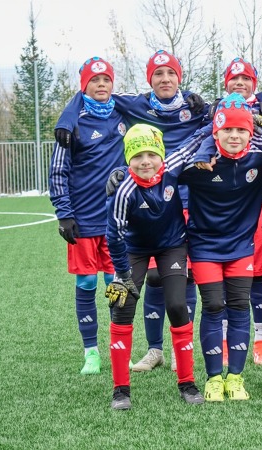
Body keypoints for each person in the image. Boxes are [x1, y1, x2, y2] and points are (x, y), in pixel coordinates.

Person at [56, 50, 208, 373]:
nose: (165, 79)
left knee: (185, 279)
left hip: (186, 203)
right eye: (158, 74)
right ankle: (149, 350)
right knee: (143, 279)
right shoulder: (134, 106)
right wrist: (66, 117)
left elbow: (223, 119)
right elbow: (89, 95)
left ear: (179, 77)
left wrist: (207, 105)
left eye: (171, 73)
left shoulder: (193, 107)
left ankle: (182, 351)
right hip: (134, 204)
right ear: (149, 79)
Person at [173, 93, 262, 401]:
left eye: (241, 130)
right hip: (204, 247)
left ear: (250, 133)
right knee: (214, 306)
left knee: (240, 306)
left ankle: (236, 378)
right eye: (227, 129)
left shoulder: (260, 159)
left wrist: (259, 126)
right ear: (216, 132)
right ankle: (214, 378)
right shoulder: (198, 164)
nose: (234, 135)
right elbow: (165, 167)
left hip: (241, 247)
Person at [104, 123, 204, 410]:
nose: (145, 161)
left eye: (151, 154)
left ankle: (187, 383)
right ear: (128, 160)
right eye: (137, 156)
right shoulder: (124, 191)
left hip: (172, 245)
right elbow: (114, 236)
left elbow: (197, 139)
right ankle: (120, 390)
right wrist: (122, 275)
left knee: (177, 305)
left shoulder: (172, 167)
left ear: (161, 155)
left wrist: (218, 115)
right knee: (121, 306)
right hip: (134, 250)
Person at [49, 56, 125, 375]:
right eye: (94, 80)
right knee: (87, 282)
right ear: (84, 86)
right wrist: (64, 213)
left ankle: (118, 347)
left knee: (115, 283)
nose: (101, 84)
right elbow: (57, 170)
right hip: (82, 219)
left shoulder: (123, 112)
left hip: (116, 220)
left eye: (106, 79)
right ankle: (91, 352)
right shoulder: (72, 124)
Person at [219, 57, 262, 367]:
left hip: (260, 201)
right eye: (234, 78)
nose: (239, 83)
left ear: (254, 84)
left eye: (246, 79)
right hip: (223, 203)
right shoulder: (215, 110)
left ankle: (261, 340)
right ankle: (225, 340)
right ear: (226, 83)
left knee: (258, 273)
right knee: (225, 274)